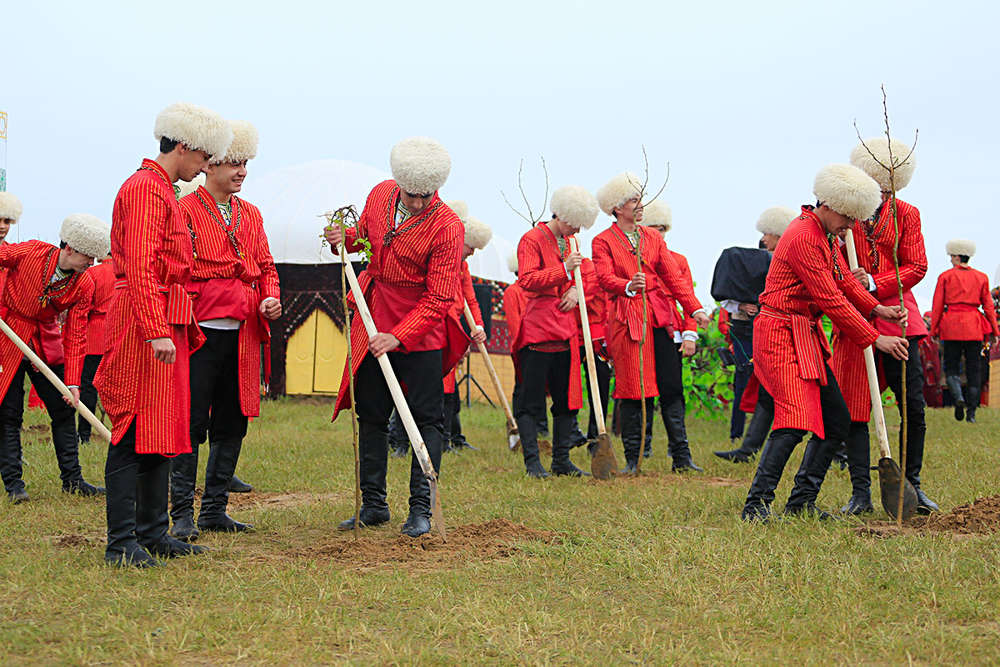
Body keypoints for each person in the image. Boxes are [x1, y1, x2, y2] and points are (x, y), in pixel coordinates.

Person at [96, 102, 231, 567]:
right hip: (142, 323)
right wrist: (155, 330)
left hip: (163, 318)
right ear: (185, 146)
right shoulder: (144, 191)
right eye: (204, 157)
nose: (206, 166)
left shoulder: (162, 190)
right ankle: (121, 543)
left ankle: (152, 534)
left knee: (160, 429)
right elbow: (138, 266)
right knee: (134, 429)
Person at [741, 164, 909, 521]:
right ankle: (756, 505)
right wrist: (874, 339)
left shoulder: (825, 235)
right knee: (794, 420)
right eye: (848, 217)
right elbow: (830, 298)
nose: (851, 225)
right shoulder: (803, 236)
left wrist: (879, 308)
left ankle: (801, 501)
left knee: (836, 420)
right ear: (829, 204)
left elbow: (846, 283)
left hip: (805, 335)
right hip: (779, 335)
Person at [327, 137, 466, 538]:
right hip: (372, 316)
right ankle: (373, 505)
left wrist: (398, 337)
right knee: (371, 413)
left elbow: (439, 297)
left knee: (426, 420)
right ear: (398, 181)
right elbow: (366, 240)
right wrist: (344, 238)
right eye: (413, 194)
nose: (420, 202)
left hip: (419, 333)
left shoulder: (448, 227)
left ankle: (421, 509)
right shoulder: (380, 195)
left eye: (427, 195)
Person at [170, 120, 281, 541]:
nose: (242, 172)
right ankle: (181, 514)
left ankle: (214, 509)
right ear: (209, 165)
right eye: (233, 163)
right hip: (198, 332)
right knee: (190, 422)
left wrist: (270, 297)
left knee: (233, 422)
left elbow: (267, 267)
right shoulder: (182, 209)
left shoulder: (252, 214)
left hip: (243, 333)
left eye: (245, 163)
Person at [592, 173, 710, 474]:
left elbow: (674, 278)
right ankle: (633, 459)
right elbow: (604, 278)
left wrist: (694, 309)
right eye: (634, 200)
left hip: (660, 322)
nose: (640, 205)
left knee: (671, 386)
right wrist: (628, 285)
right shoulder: (602, 241)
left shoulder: (653, 238)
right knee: (632, 387)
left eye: (639, 199)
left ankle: (682, 458)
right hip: (627, 321)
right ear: (617, 208)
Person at [846, 136, 937, 513]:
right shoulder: (844, 213)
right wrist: (855, 284)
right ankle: (861, 492)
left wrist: (874, 283)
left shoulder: (908, 214)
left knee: (912, 407)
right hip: (853, 318)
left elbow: (917, 266)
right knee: (855, 409)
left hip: (901, 319)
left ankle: (912, 486)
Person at [0, 214, 109, 503]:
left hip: (44, 343)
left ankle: (73, 480)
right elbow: (2, 254)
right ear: (70, 248)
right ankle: (14, 486)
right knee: (9, 414)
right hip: (7, 336)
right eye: (88, 256)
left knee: (64, 409)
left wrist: (73, 383)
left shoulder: (84, 285)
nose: (92, 264)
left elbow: (76, 336)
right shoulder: (32, 251)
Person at [512, 185, 599, 478]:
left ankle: (561, 460)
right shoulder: (531, 239)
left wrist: (575, 289)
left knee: (567, 400)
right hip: (538, 328)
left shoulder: (571, 242)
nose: (577, 229)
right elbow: (527, 279)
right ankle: (533, 463)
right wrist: (563, 271)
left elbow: (587, 275)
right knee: (530, 401)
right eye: (574, 222)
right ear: (561, 213)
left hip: (565, 330)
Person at [712, 206, 797, 463]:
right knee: (762, 389)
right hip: (757, 332)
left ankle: (837, 451)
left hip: (790, 331)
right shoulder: (755, 261)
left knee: (803, 393)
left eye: (768, 234)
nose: (763, 239)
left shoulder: (791, 260)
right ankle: (746, 447)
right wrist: (742, 305)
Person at [637, 199, 696, 460]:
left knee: (672, 389)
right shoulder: (633, 261)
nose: (657, 234)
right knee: (642, 389)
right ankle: (642, 447)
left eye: (661, 228)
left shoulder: (678, 260)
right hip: (640, 326)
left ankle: (680, 452)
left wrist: (690, 333)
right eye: (652, 228)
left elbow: (687, 296)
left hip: (671, 327)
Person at [440, 202, 490, 453]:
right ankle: (400, 440)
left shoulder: (464, 267)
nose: (472, 253)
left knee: (449, 390)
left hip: (451, 331)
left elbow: (470, 299)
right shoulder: (438, 257)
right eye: (471, 247)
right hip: (433, 327)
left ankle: (449, 438)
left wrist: (477, 326)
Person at [931, 239, 998, 423]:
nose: (950, 259)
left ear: (957, 256)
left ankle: (958, 396)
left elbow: (937, 306)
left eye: (952, 256)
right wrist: (995, 331)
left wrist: (934, 330)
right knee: (974, 370)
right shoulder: (982, 277)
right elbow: (989, 307)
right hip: (974, 326)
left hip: (951, 325)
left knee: (951, 367)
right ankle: (972, 414)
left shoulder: (945, 277)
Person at [77, 254, 115, 444]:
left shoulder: (93, 273)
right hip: (117, 335)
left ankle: (84, 435)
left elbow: (84, 305)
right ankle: (119, 432)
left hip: (94, 336)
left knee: (88, 389)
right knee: (116, 388)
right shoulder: (122, 272)